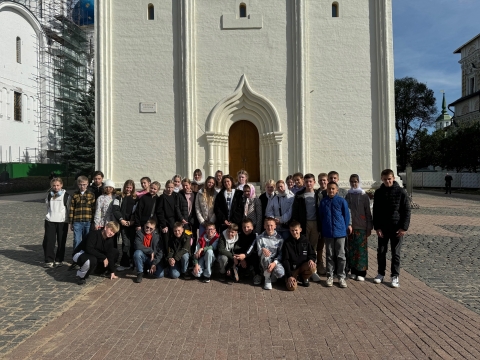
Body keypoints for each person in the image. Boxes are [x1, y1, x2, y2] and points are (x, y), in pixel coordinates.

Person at [373, 169, 411, 288]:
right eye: (385, 179)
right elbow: (376, 211)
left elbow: (406, 210)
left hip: (397, 228)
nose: (387, 181)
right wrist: (377, 227)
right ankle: (380, 273)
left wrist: (404, 227)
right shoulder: (379, 192)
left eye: (389, 179)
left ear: (393, 178)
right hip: (383, 228)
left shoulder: (401, 192)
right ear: (382, 179)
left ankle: (395, 276)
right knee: (381, 252)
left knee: (396, 253)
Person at [319, 182, 351, 288]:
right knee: (329, 255)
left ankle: (341, 276)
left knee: (341, 255)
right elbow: (321, 216)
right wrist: (323, 229)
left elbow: (346, 216)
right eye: (329, 189)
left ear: (337, 190)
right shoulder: (324, 202)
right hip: (328, 233)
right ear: (327, 190)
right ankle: (330, 276)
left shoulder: (341, 201)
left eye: (333, 189)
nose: (331, 191)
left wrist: (343, 228)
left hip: (340, 233)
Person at [291, 173, 324, 279]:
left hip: (315, 223)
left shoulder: (319, 194)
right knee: (303, 247)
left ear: (314, 182)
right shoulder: (299, 195)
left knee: (313, 248)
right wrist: (296, 224)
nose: (308, 183)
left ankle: (313, 271)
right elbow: (295, 211)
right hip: (304, 224)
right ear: (304, 182)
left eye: (310, 181)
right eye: (306, 181)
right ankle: (304, 270)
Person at [73, 221, 120, 285]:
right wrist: (103, 257)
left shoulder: (110, 240)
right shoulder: (94, 234)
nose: (111, 233)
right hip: (81, 253)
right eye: (111, 230)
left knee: (114, 251)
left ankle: (99, 270)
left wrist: (112, 271)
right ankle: (81, 276)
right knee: (91, 260)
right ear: (106, 227)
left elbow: (110, 254)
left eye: (114, 232)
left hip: (94, 255)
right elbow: (88, 249)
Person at [345, 174, 372, 281]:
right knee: (352, 250)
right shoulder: (348, 195)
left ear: (359, 182)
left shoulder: (364, 196)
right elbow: (347, 211)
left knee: (361, 250)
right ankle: (353, 270)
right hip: (352, 227)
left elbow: (368, 212)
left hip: (362, 226)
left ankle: (362, 272)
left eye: (356, 181)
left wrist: (369, 227)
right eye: (352, 181)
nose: (354, 183)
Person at [43, 177, 71, 268]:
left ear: (61, 185)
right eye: (54, 185)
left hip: (62, 221)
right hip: (50, 221)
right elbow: (48, 207)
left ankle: (59, 259)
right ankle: (49, 260)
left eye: (58, 185)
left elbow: (68, 208)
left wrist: (69, 220)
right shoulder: (49, 195)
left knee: (61, 241)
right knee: (49, 241)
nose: (56, 187)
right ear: (51, 186)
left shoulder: (66, 196)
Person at [282, 221, 316, 290]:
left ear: (300, 230)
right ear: (290, 230)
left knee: (312, 267)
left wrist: (311, 260)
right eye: (292, 230)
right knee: (292, 287)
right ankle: (293, 278)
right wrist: (289, 275)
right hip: (292, 270)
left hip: (302, 266)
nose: (294, 232)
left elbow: (312, 254)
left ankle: (303, 278)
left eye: (296, 230)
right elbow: (285, 260)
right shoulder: (287, 243)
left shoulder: (306, 241)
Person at [113, 179, 138, 271]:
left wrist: (132, 221)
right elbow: (115, 209)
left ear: (133, 188)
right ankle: (125, 263)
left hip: (132, 223)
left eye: (130, 188)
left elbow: (137, 211)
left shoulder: (136, 198)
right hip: (123, 223)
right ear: (124, 187)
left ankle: (133, 263)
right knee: (126, 243)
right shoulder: (119, 197)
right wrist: (121, 220)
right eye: (127, 187)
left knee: (133, 243)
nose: (129, 189)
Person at [256, 217, 285, 290]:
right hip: (264, 261)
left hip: (274, 261)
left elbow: (280, 254)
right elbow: (258, 253)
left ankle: (273, 274)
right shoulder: (260, 238)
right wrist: (262, 249)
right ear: (264, 226)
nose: (269, 227)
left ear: (275, 226)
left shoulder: (280, 239)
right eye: (267, 225)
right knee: (266, 255)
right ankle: (267, 277)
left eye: (271, 225)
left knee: (280, 273)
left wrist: (274, 263)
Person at [69, 175, 96, 253]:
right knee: (77, 240)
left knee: (86, 240)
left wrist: (93, 222)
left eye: (84, 184)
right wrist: (71, 222)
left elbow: (93, 209)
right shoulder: (75, 195)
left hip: (88, 221)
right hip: (77, 221)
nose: (82, 186)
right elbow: (72, 209)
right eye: (80, 184)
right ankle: (76, 257)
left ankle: (85, 256)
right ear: (78, 184)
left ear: (87, 184)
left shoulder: (91, 195)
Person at [157, 180, 183, 249]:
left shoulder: (175, 195)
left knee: (175, 241)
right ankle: (167, 257)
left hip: (175, 222)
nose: (170, 189)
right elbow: (160, 212)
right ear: (165, 187)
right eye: (168, 187)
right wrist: (163, 225)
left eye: (172, 187)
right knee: (167, 242)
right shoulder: (162, 197)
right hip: (166, 222)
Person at [235, 219, 261, 284]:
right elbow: (237, 248)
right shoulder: (239, 235)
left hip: (250, 256)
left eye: (248, 227)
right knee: (238, 277)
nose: (246, 229)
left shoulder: (255, 235)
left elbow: (251, 248)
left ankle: (257, 274)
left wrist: (244, 256)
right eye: (244, 227)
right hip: (242, 257)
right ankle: (244, 271)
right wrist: (241, 259)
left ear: (252, 227)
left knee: (255, 256)